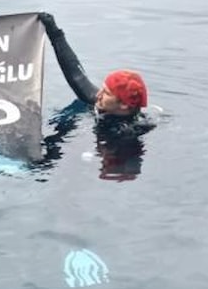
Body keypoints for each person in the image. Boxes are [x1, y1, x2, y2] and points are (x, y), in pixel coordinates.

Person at [37, 12, 156, 180]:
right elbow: (77, 77)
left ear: (123, 105)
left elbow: (127, 170)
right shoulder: (106, 105)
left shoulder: (127, 135)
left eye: (106, 93)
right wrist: (54, 33)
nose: (98, 94)